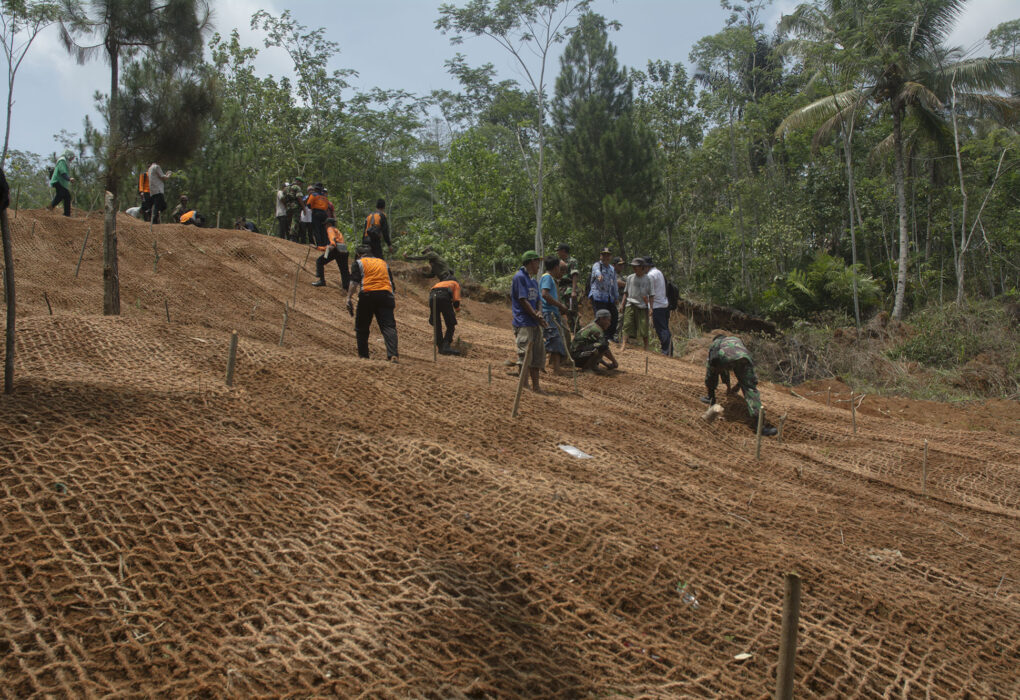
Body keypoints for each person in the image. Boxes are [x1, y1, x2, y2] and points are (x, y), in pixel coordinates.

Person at [702, 334, 777, 436]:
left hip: (724, 359)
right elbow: (743, 379)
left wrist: (711, 389)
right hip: (744, 358)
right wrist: (734, 387)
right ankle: (760, 426)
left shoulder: (715, 344)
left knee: (713, 370)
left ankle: (711, 397)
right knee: (750, 389)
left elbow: (712, 367)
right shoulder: (736, 340)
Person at [346, 244, 398, 362]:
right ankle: (393, 354)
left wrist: (348, 298)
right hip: (386, 294)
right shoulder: (383, 263)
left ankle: (364, 356)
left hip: (368, 294)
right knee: (388, 326)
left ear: (358, 255)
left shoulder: (359, 262)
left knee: (362, 327)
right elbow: (392, 283)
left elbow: (354, 282)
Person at [511, 250, 547, 393]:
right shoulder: (519, 277)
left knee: (537, 356)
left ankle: (536, 386)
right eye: (537, 262)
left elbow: (538, 300)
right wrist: (535, 314)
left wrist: (539, 313)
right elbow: (522, 299)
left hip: (534, 322)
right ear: (532, 262)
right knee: (525, 354)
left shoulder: (533, 280)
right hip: (524, 321)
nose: (539, 265)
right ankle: (524, 386)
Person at [540, 256, 570, 375]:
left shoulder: (550, 279)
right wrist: (560, 306)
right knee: (555, 339)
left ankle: (547, 364)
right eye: (560, 268)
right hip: (548, 312)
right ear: (556, 267)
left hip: (552, 312)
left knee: (554, 339)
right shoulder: (547, 278)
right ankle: (556, 369)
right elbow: (545, 295)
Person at [619, 258, 653, 352]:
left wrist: (651, 308)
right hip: (630, 304)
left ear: (642, 267)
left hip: (642, 306)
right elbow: (625, 292)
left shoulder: (648, 279)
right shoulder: (630, 278)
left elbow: (651, 295)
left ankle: (646, 347)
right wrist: (622, 304)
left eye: (636, 266)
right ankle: (624, 344)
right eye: (633, 266)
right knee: (627, 324)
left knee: (643, 327)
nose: (634, 268)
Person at [588, 246, 619, 342]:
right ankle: (597, 335)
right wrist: (599, 276)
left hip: (608, 297)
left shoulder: (612, 269)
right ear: (601, 256)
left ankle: (609, 336)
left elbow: (614, 284)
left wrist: (616, 296)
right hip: (598, 295)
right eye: (604, 255)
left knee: (614, 314)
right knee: (601, 316)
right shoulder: (597, 265)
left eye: (608, 255)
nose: (606, 257)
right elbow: (596, 272)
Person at [644, 257, 672, 356]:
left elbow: (649, 292)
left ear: (647, 266)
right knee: (665, 328)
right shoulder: (659, 272)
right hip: (664, 304)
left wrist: (649, 307)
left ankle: (665, 351)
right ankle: (668, 350)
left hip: (657, 305)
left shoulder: (650, 275)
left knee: (661, 329)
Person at [312, 217, 349, 289]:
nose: (325, 227)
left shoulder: (330, 229)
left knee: (320, 261)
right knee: (344, 269)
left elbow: (332, 239)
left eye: (325, 225)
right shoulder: (337, 230)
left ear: (328, 224)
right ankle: (346, 286)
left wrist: (332, 244)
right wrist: (319, 248)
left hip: (335, 249)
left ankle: (321, 281)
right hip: (343, 249)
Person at [429, 277, 462, 356]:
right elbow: (456, 300)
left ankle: (440, 347)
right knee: (451, 324)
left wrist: (431, 314)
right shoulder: (455, 284)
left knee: (437, 325)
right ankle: (446, 346)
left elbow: (431, 294)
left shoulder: (438, 284)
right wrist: (457, 309)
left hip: (432, 297)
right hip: (444, 297)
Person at [555, 243, 580, 330]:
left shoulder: (572, 261)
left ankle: (576, 330)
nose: (557, 253)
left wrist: (573, 291)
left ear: (563, 251)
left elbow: (574, 275)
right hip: (560, 288)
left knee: (572, 311)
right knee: (560, 309)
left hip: (568, 288)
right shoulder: (559, 262)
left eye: (559, 251)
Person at [46, 150, 75, 217]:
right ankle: (49, 208)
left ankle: (67, 214)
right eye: (71, 158)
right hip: (57, 181)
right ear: (68, 156)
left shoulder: (66, 162)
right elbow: (63, 172)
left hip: (62, 183)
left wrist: (68, 179)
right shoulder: (62, 161)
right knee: (61, 194)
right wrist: (69, 179)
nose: (71, 160)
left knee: (67, 196)